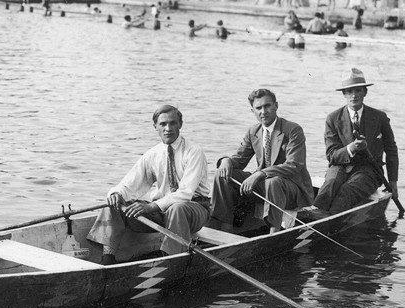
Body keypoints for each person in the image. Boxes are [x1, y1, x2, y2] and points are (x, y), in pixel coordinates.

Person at [86, 104, 211, 264]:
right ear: (155, 127)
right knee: (114, 204)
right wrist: (116, 193)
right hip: (162, 211)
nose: (168, 128)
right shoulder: (152, 154)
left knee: (177, 208)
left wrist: (150, 207)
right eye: (163, 124)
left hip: (193, 210)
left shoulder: (194, 152)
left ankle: (172, 261)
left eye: (173, 123)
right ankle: (108, 260)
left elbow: (185, 193)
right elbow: (129, 184)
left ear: (180, 124)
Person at [210, 89, 314, 234]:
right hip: (265, 187)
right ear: (252, 110)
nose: (263, 111)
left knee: (273, 181)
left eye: (267, 106)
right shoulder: (253, 132)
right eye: (258, 108)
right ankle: (226, 227)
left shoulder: (293, 130)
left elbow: (293, 165)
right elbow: (239, 160)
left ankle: (274, 231)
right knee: (223, 174)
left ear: (276, 106)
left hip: (291, 189)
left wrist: (260, 174)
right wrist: (226, 161)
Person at [306, 68, 399, 218]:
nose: (354, 95)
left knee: (347, 191)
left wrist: (393, 182)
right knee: (330, 185)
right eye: (349, 91)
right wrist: (351, 148)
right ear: (344, 94)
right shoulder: (333, 118)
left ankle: (327, 222)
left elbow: (391, 150)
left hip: (369, 171)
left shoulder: (380, 118)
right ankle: (313, 218)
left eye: (357, 90)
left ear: (365, 92)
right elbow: (332, 156)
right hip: (340, 166)